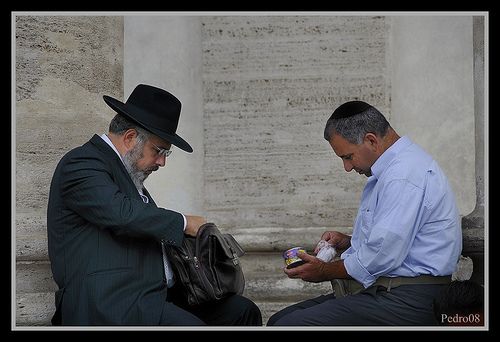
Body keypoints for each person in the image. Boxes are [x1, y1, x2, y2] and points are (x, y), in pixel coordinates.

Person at [47, 84, 262, 326]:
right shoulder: (82, 163)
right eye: (158, 151)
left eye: (165, 154)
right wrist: (183, 223)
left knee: (243, 312)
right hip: (111, 302)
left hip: (153, 296)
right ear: (130, 138)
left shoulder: (126, 173)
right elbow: (122, 214)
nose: (161, 162)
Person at [267, 100, 462, 326]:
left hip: (409, 298)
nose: (347, 168)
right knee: (278, 320)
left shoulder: (403, 174)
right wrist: (350, 242)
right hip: (387, 291)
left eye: (348, 157)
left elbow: (382, 254)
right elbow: (397, 243)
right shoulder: (394, 170)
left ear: (371, 140)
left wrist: (325, 271)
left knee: (288, 326)